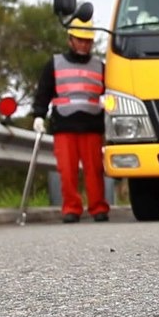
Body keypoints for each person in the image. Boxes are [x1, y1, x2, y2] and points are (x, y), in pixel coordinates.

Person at [31, 19, 110, 223]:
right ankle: (71, 208)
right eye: (80, 40)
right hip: (64, 126)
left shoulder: (100, 66)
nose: (84, 45)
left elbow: (109, 93)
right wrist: (39, 115)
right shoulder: (55, 64)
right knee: (67, 171)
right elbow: (43, 93)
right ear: (70, 40)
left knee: (94, 170)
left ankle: (98, 207)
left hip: (92, 125)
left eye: (88, 41)